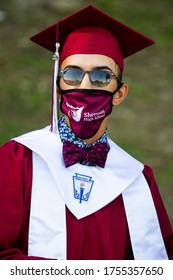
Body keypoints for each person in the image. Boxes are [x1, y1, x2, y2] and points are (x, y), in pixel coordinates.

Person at [0, 5, 173, 260]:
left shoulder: (136, 180)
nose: (84, 85)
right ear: (58, 87)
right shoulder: (18, 159)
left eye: (102, 77)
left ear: (120, 94)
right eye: (72, 74)